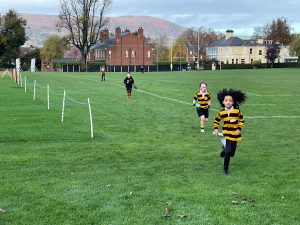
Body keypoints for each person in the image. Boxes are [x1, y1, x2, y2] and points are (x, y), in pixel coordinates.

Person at [213, 88, 246, 175]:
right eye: (226, 100)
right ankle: (225, 169)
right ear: (223, 102)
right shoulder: (222, 112)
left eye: (230, 100)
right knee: (228, 153)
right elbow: (216, 121)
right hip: (226, 134)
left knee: (232, 153)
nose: (228, 102)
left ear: (233, 102)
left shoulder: (237, 111)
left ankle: (224, 150)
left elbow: (242, 120)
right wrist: (216, 129)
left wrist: (239, 129)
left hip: (234, 135)